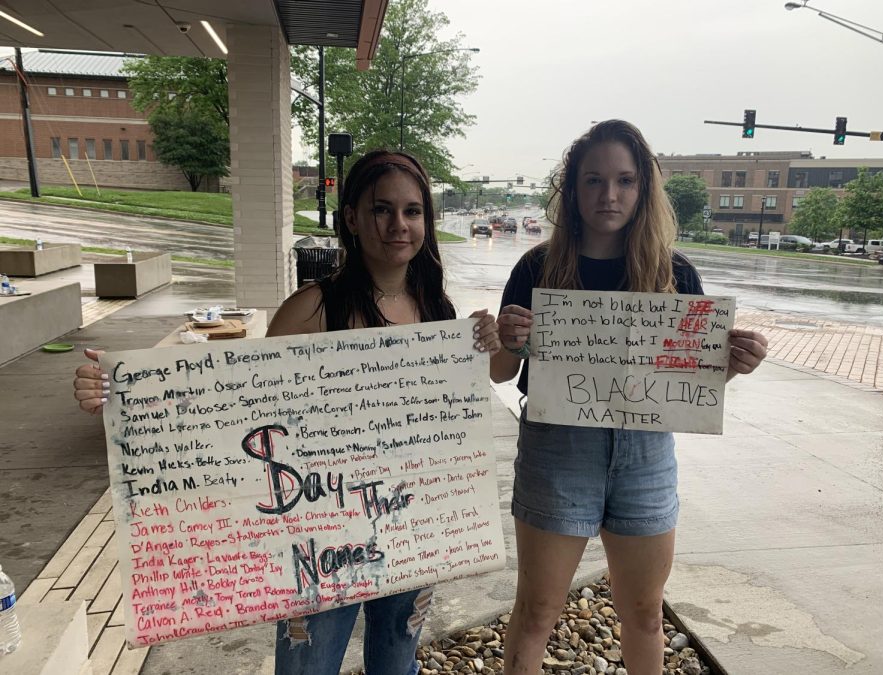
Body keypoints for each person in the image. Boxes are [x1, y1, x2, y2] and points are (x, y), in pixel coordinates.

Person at [72, 149, 502, 675]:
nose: (398, 225)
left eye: (413, 212)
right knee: (307, 667)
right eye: (381, 209)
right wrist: (124, 395)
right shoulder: (312, 308)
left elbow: (461, 410)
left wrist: (487, 343)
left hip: (410, 524)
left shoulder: (439, 312)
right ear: (351, 218)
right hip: (319, 535)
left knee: (397, 660)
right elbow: (237, 410)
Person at [490, 120, 768, 675]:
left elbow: (689, 385)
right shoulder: (538, 268)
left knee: (642, 612)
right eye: (593, 181)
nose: (608, 195)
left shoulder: (674, 273)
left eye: (624, 180)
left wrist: (734, 365)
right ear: (572, 191)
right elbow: (500, 370)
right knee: (538, 609)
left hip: (644, 457)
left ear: (644, 189)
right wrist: (508, 340)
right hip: (557, 450)